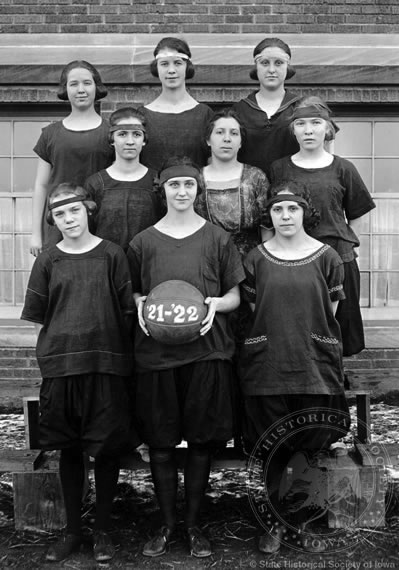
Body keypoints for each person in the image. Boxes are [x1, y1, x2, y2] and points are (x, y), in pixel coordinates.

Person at [127, 157, 244, 558]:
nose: (182, 191)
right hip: (157, 357)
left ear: (198, 191)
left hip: (206, 354)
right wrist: (140, 301)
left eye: (189, 185)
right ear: (163, 191)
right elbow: (131, 291)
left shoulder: (217, 239)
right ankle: (166, 524)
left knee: (199, 443)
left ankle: (194, 525)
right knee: (160, 445)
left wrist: (217, 304)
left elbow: (235, 294)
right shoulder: (143, 242)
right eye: (174, 185)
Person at [21, 183, 137, 563]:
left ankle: (102, 530)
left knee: (104, 452)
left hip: (105, 366)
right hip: (62, 366)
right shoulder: (48, 260)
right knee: (68, 451)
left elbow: (125, 311)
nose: (68, 219)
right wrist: (52, 357)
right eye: (59, 215)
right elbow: (39, 317)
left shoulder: (111, 254)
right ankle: (73, 531)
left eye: (74, 211)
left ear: (88, 210)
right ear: (52, 220)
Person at [239, 181, 350, 554]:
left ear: (305, 213)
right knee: (273, 446)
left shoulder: (327, 257)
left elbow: (330, 311)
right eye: (277, 210)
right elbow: (255, 309)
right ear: (269, 215)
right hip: (268, 364)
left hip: (313, 365)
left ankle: (301, 522)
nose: (285, 216)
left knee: (308, 445)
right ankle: (272, 524)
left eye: (293, 209)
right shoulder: (255, 258)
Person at [270, 96, 376, 356]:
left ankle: (337, 378)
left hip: (338, 258)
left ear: (327, 128)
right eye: (301, 123)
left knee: (338, 326)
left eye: (316, 123)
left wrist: (351, 247)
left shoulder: (343, 168)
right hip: (295, 261)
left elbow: (357, 213)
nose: (308, 130)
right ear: (293, 130)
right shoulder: (279, 168)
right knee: (298, 323)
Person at [30, 60, 114, 256]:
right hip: (59, 224)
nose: (81, 89)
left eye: (87, 83)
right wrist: (36, 233)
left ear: (96, 87)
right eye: (73, 84)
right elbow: (41, 186)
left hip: (102, 223)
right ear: (65, 89)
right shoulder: (50, 134)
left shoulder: (111, 132)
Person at [85, 106, 162, 252]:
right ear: (111, 139)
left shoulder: (157, 181)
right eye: (122, 134)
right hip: (107, 265)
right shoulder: (95, 183)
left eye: (137, 134)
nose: (130, 141)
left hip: (147, 264)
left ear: (144, 140)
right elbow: (88, 232)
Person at [196, 108, 269, 258]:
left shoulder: (256, 177)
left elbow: (267, 227)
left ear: (241, 142)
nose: (227, 139)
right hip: (207, 261)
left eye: (234, 133)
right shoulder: (195, 179)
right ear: (208, 140)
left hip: (251, 263)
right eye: (220, 132)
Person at [139, 37, 213, 171]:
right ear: (156, 67)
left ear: (187, 67)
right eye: (164, 64)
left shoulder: (204, 115)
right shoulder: (142, 116)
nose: (171, 70)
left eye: (178, 63)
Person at [232, 37, 300, 178]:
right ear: (256, 67)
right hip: (249, 190)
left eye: (278, 63)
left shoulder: (301, 107)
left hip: (292, 190)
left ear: (287, 66)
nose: (271, 70)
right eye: (264, 63)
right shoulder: (239, 110)